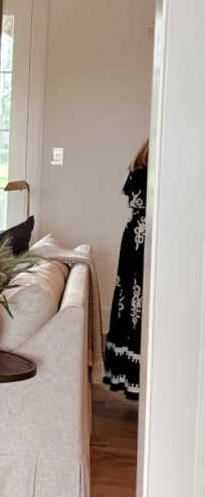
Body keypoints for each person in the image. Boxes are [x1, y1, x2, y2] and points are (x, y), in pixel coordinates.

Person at [103, 140, 148, 400]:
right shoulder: (152, 170)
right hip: (142, 239)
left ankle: (127, 375)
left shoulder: (138, 165)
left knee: (129, 297)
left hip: (132, 235)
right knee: (136, 301)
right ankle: (136, 377)